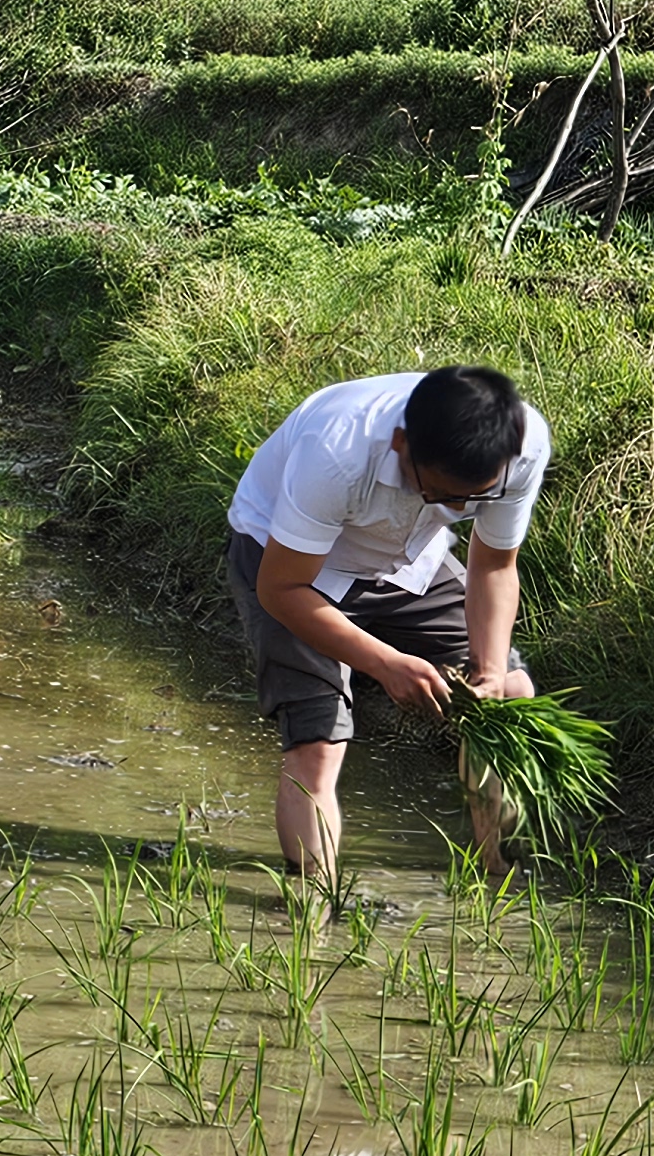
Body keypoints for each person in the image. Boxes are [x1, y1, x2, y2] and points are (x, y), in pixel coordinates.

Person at [226, 362, 549, 887]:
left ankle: (501, 881)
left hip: (403, 560)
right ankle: (315, 911)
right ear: (402, 444)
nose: (459, 509)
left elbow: (493, 564)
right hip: (288, 564)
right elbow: (280, 590)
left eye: (475, 497)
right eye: (442, 493)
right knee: (318, 744)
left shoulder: (520, 445)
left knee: (510, 691)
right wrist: (385, 664)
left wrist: (488, 671)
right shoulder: (337, 452)